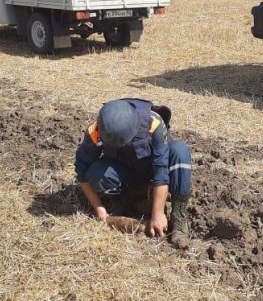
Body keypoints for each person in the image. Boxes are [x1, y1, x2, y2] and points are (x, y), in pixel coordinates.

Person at [74, 98, 192, 247]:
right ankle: (124, 201)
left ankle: (179, 217)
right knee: (96, 173)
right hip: (125, 173)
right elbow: (82, 171)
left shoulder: (153, 122)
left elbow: (161, 171)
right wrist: (98, 207)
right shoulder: (96, 130)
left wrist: (158, 214)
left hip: (151, 169)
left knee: (180, 151)